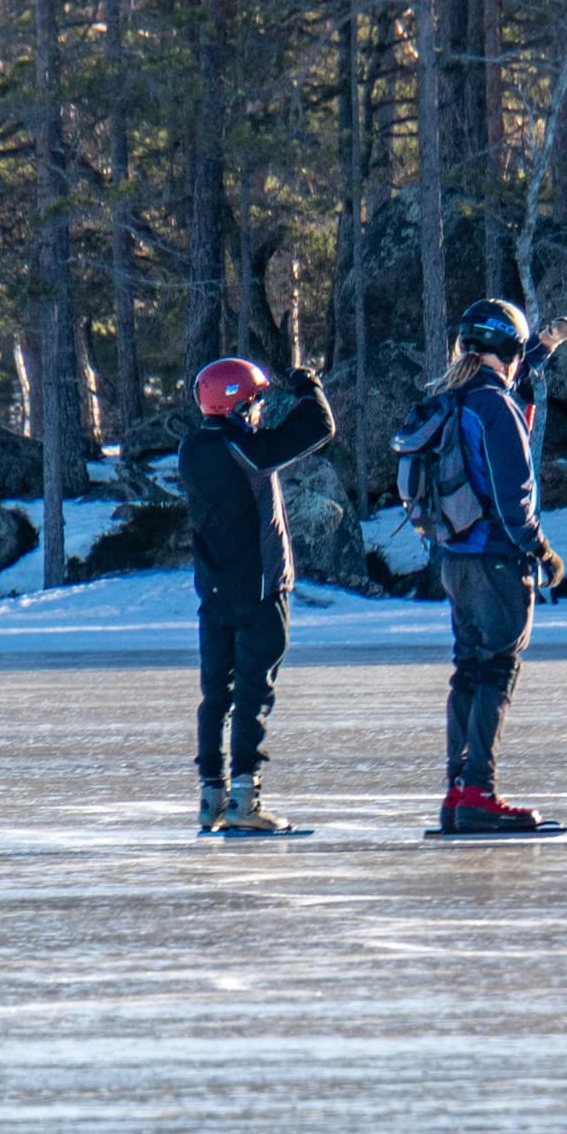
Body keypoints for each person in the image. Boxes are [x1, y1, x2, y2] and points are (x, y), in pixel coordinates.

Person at [425, 298, 566, 835]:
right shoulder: (494, 407)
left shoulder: (452, 398)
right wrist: (542, 549)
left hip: (455, 561)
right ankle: (479, 792)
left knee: (469, 669)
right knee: (497, 671)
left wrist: (543, 351)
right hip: (497, 563)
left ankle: (459, 793)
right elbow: (515, 496)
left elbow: (514, 377)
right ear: (506, 348)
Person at [179, 354, 336, 834]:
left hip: (215, 591)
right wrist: (308, 387)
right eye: (256, 400)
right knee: (253, 692)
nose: (261, 409)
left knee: (216, 693)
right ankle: (244, 799)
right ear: (239, 405)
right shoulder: (242, 449)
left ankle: (212, 797)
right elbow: (318, 428)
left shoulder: (191, 448)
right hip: (261, 590)